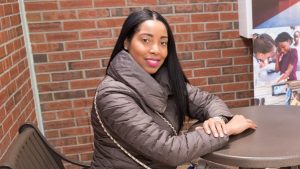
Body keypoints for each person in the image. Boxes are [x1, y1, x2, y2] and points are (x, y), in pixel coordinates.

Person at [90, 9, 257, 169]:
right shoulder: (112, 95)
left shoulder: (166, 80)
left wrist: (218, 121)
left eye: (163, 43)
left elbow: (207, 101)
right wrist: (226, 130)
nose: (156, 50)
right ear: (126, 42)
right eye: (145, 40)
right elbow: (169, 150)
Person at [275, 32, 298, 105]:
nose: (281, 50)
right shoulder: (283, 56)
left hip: (291, 83)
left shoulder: (293, 52)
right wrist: (277, 58)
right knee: (285, 102)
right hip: (284, 83)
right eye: (279, 48)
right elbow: (277, 70)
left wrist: (277, 81)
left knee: (292, 103)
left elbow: (288, 71)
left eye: (283, 47)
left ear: (289, 42)